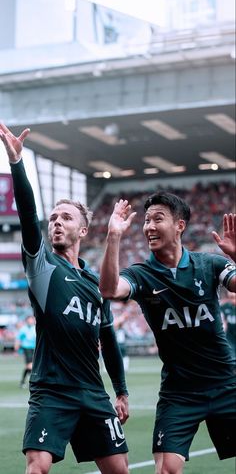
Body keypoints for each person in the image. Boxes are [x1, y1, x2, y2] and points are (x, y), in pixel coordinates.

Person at [0, 122, 129, 474]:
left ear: (83, 231)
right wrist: (16, 163)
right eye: (54, 217)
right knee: (37, 466)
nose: (56, 222)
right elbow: (29, 216)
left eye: (66, 217)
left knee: (120, 470)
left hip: (93, 392)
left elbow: (108, 336)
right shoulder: (42, 267)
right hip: (52, 392)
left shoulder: (96, 281)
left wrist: (121, 390)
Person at [99, 193, 236, 474]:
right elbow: (110, 290)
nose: (149, 226)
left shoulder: (210, 264)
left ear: (180, 225)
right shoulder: (140, 274)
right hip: (179, 391)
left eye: (157, 219)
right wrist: (113, 237)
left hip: (226, 383)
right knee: (167, 470)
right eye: (146, 220)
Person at [15, 314, 36, 388]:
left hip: (34, 348)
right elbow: (18, 339)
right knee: (30, 366)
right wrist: (16, 349)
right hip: (26, 348)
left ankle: (22, 382)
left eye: (32, 319)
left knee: (29, 366)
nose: (31, 321)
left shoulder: (35, 328)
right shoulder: (23, 329)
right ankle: (33, 382)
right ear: (27, 321)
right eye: (30, 319)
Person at [220, 290, 236, 360]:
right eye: (231, 298)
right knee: (232, 358)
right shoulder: (225, 307)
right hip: (230, 337)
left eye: (234, 297)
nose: (232, 300)